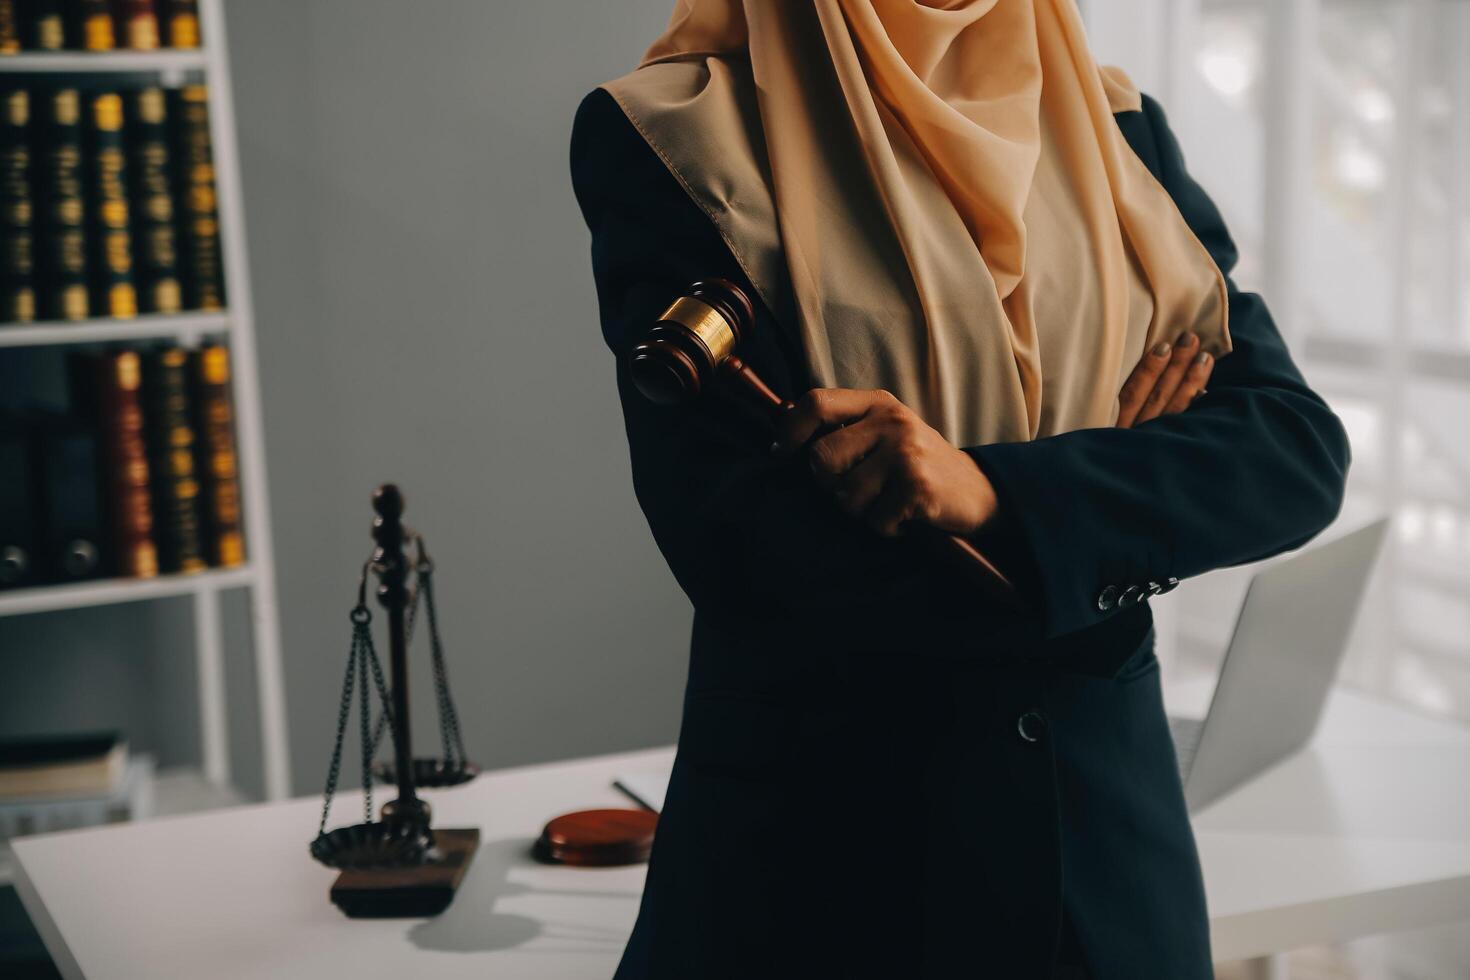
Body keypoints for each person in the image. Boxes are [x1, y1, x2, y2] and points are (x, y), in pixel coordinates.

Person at [570, 2, 1350, 977]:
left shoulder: (1116, 129)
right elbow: (750, 553)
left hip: (1108, 860)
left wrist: (988, 488)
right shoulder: (679, 138)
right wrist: (1117, 499)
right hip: (833, 866)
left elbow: (1293, 450)